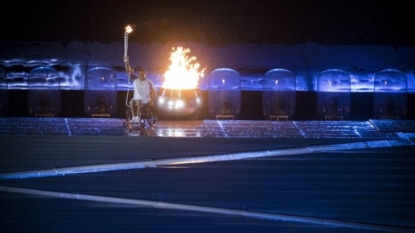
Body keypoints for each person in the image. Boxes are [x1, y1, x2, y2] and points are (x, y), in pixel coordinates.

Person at [124, 56, 156, 123]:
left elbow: (154, 92)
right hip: (136, 98)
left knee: (139, 101)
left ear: (145, 74)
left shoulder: (149, 82)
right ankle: (134, 117)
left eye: (143, 74)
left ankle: (138, 117)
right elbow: (128, 71)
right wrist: (126, 61)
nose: (141, 75)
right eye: (140, 74)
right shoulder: (135, 80)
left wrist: (152, 101)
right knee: (132, 101)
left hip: (146, 100)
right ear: (138, 74)